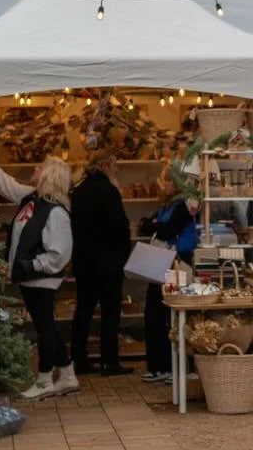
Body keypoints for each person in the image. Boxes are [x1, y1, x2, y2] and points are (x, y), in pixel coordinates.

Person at [0, 156, 77, 400]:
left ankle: (45, 378)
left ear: (49, 176)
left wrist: (33, 264)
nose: (35, 168)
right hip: (29, 276)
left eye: (40, 167)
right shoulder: (32, 200)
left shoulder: (55, 212)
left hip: (41, 278)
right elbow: (8, 185)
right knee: (48, 326)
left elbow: (59, 253)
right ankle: (67, 374)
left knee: (44, 327)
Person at [69, 152, 132, 376]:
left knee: (83, 311)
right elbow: (120, 227)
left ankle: (78, 359)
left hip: (84, 263)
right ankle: (110, 361)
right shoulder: (109, 191)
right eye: (115, 166)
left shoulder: (79, 190)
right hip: (108, 263)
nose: (117, 171)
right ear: (105, 165)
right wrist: (124, 254)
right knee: (110, 313)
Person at [139, 173, 199, 383]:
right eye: (163, 180)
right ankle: (159, 365)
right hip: (163, 264)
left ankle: (177, 367)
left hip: (176, 265)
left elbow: (167, 230)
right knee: (155, 314)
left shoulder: (184, 206)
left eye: (169, 180)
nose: (165, 185)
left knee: (171, 317)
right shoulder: (167, 207)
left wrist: (152, 225)